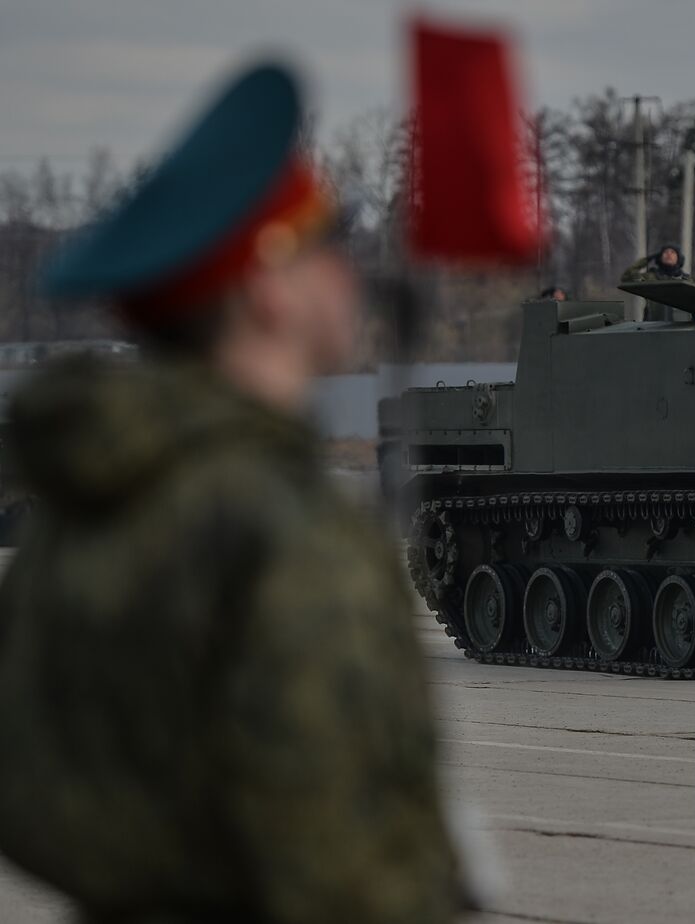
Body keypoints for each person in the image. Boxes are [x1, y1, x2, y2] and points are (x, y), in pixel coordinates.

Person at [0, 62, 468, 923]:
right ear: (267, 289)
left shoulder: (87, 500)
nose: (349, 278)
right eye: (329, 248)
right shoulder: (278, 528)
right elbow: (351, 878)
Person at [620, 244, 690, 283]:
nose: (669, 254)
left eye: (672, 252)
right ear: (660, 257)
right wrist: (647, 259)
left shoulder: (685, 279)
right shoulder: (651, 277)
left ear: (679, 258)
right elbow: (626, 277)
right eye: (665, 252)